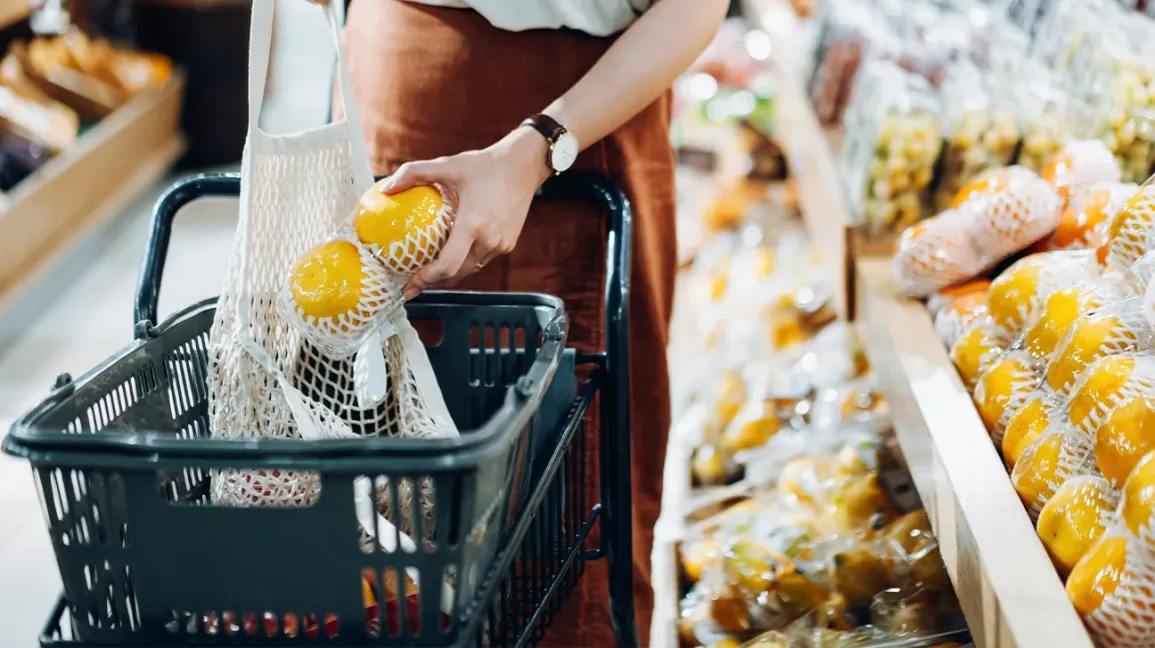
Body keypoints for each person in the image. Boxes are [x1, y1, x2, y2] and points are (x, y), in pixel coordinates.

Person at [307, 0, 729, 645]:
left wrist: (538, 148)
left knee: (556, 529)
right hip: (391, 102)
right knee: (375, 508)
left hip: (579, 111)